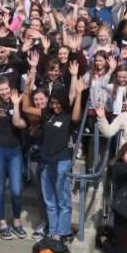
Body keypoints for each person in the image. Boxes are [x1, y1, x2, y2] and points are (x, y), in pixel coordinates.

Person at [20, 75, 84, 242]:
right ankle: (52, 231)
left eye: (57, 103)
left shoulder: (69, 116)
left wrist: (78, 94)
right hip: (45, 162)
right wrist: (27, 88)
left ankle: (62, 232)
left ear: (63, 101)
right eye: (52, 103)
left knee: (63, 201)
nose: (54, 106)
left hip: (61, 162)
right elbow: (26, 108)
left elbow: (77, 117)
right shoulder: (47, 113)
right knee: (49, 200)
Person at [0, 64, 28, 239]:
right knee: (0, 189)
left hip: (15, 151)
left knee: (16, 190)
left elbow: (18, 123)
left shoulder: (17, 101)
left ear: (11, 88)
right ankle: (2, 224)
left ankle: (16, 222)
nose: (4, 92)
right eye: (0, 89)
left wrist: (16, 105)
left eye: (6, 88)